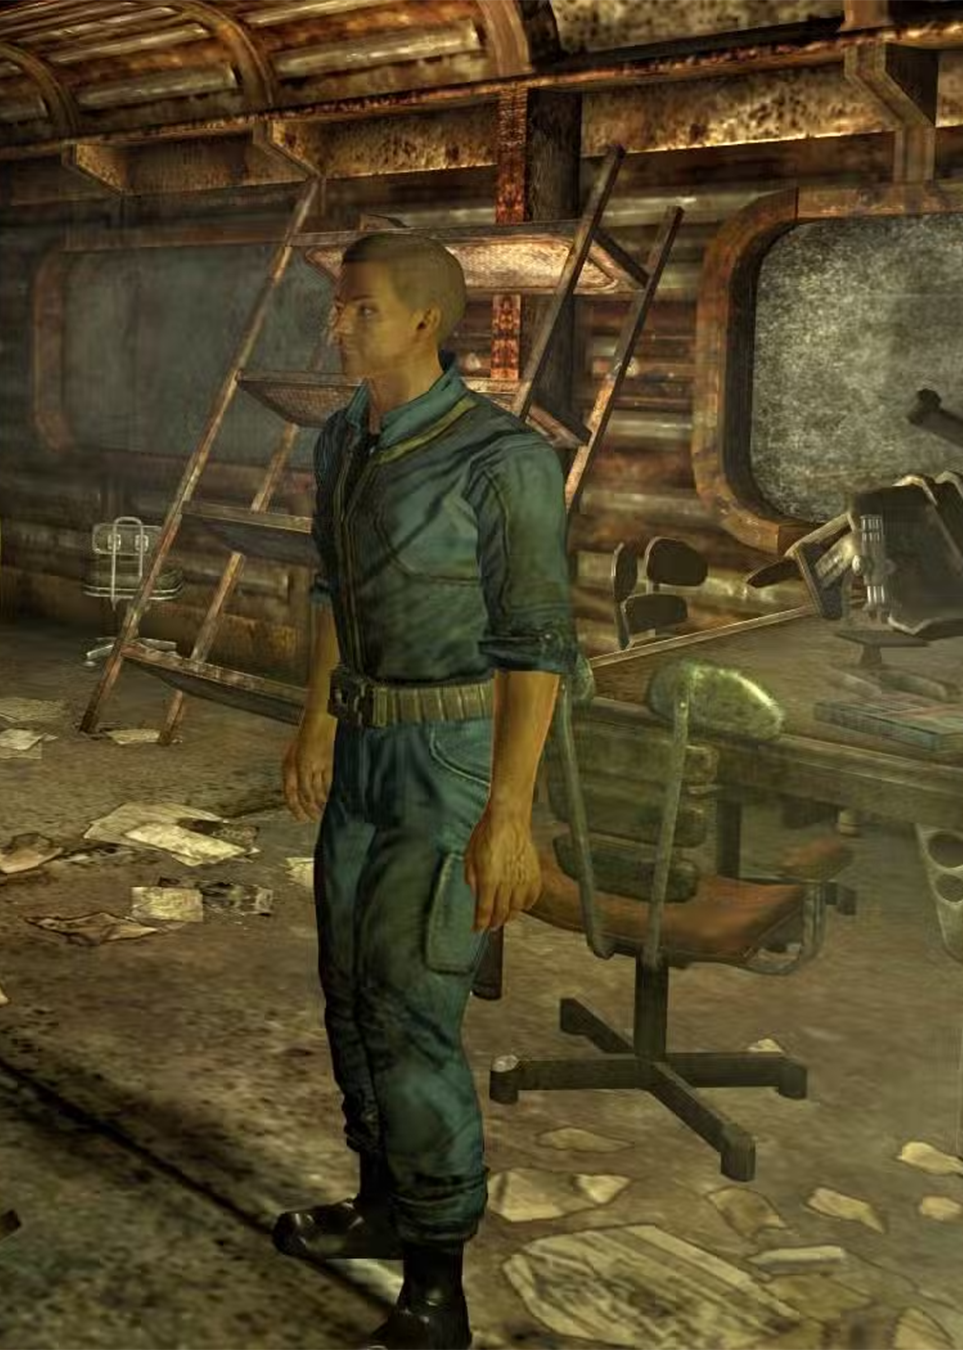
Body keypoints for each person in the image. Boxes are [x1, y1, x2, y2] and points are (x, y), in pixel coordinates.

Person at [275, 232, 578, 1350]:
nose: (339, 325)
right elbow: (331, 590)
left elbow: (538, 645)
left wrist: (510, 816)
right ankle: (381, 1203)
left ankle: (437, 1283)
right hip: (363, 748)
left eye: (360, 309)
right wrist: (316, 722)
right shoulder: (343, 438)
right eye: (338, 307)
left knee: (412, 1011)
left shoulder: (503, 460)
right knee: (350, 993)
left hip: (450, 762)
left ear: (423, 323)